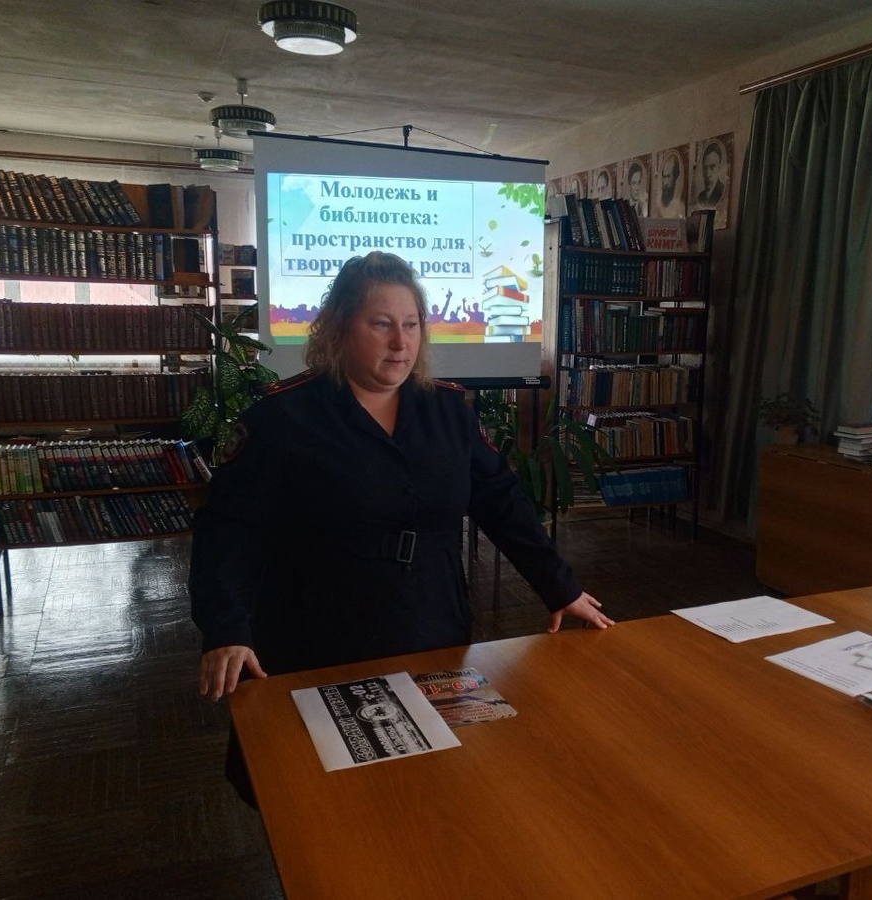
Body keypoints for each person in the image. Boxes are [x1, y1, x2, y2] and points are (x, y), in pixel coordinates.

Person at [189, 251, 613, 802]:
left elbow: (502, 502)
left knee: (433, 780)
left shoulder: (449, 410)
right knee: (323, 796)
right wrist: (226, 628)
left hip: (430, 624)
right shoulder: (282, 418)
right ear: (340, 327)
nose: (400, 343)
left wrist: (561, 587)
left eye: (411, 325)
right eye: (381, 324)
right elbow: (229, 531)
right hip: (319, 634)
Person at [654, 150, 686, 218]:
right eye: (664, 177)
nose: (665, 183)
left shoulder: (680, 207)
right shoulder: (658, 207)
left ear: (675, 177)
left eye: (668, 177)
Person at [695, 142, 725, 209]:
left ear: (719, 168)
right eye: (705, 168)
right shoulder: (700, 197)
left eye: (712, 167)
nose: (708, 174)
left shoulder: (722, 192)